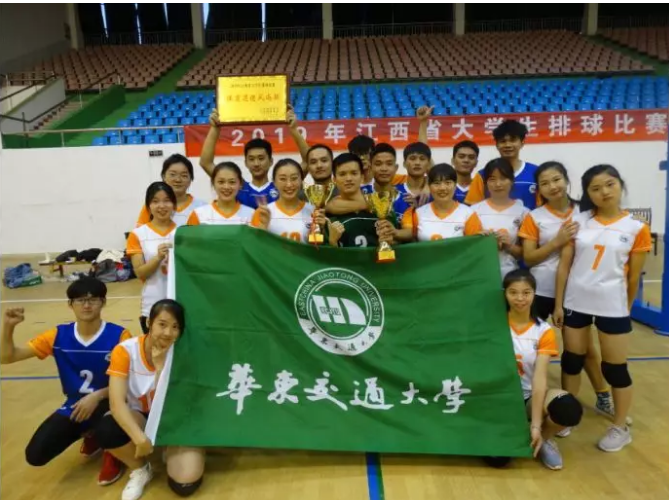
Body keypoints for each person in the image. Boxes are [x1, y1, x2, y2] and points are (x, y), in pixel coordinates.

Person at [554, 165, 651, 452]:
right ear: (588, 193)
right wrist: (559, 303)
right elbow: (564, 266)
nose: (604, 192)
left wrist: (625, 309)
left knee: (615, 369)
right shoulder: (578, 221)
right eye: (595, 188)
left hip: (612, 304)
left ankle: (620, 427)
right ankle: (567, 416)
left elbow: (633, 277)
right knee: (572, 360)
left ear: (620, 185)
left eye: (610, 184)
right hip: (576, 301)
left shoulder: (636, 228)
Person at [519, 162, 620, 432]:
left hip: (576, 291)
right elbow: (529, 258)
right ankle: (550, 404)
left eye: (556, 179)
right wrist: (557, 241)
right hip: (541, 291)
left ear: (566, 180)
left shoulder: (586, 212)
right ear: (538, 189)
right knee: (528, 347)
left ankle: (602, 396)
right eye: (545, 183)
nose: (552, 186)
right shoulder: (534, 217)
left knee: (583, 350)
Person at [0, 277, 129, 485]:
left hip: (112, 401)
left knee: (111, 423)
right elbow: (7, 357)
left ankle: (113, 450)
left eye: (93, 300)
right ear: (70, 304)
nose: (86, 305)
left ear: (103, 302)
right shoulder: (58, 335)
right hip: (75, 405)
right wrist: (8, 327)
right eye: (80, 300)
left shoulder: (119, 336)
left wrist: (97, 396)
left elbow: (130, 382)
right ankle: (91, 433)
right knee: (35, 455)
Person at [97, 299, 204, 500]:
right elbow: (116, 403)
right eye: (162, 324)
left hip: (174, 420)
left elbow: (178, 402)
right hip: (140, 416)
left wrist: (160, 368)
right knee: (107, 428)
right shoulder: (125, 351)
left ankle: (171, 448)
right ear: (149, 323)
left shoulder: (185, 353)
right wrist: (139, 438)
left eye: (175, 327)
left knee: (185, 484)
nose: (168, 333)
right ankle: (141, 469)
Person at [504, 269, 583, 470]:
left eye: (526, 292)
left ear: (534, 294)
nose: (520, 298)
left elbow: (539, 379)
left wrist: (536, 426)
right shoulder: (494, 325)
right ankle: (513, 432)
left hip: (528, 397)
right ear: (505, 294)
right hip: (500, 398)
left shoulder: (542, 330)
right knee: (499, 459)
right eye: (513, 292)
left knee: (568, 408)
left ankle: (544, 439)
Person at [126, 182, 177, 334]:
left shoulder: (183, 231)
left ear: (174, 204)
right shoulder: (138, 234)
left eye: (167, 200)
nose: (162, 206)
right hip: (152, 305)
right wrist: (158, 258)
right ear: (148, 206)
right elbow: (140, 273)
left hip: (180, 302)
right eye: (155, 201)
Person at [201, 109, 278, 209]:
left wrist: (293, 129)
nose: (256, 163)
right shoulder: (239, 187)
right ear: (245, 162)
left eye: (261, 158)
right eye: (251, 159)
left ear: (271, 161)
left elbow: (303, 166)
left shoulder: (281, 187)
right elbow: (206, 163)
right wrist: (215, 128)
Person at [472, 159, 529, 279]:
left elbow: (527, 255)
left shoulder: (523, 212)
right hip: (480, 275)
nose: (498, 184)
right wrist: (480, 241)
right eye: (492, 179)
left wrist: (509, 246)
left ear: (512, 181)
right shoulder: (473, 211)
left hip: (511, 277)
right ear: (486, 183)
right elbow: (467, 250)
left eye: (503, 178)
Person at [326, 153, 395, 248]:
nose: (348, 179)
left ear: (362, 177)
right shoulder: (329, 218)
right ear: (334, 180)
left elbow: (400, 243)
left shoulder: (383, 207)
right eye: (342, 174)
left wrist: (391, 242)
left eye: (354, 173)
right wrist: (333, 243)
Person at [398, 163, 482, 241]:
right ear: (429, 187)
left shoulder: (468, 214)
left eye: (448, 183)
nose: (442, 188)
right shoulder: (418, 214)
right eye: (437, 183)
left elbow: (474, 246)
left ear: (455, 185)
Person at [465, 120, 539, 209]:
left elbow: (544, 208)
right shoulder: (482, 176)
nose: (508, 145)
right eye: (503, 141)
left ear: (522, 142)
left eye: (513, 140)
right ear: (496, 144)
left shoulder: (536, 173)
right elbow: (471, 210)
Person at [252, 159, 322, 243]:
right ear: (274, 182)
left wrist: (313, 236)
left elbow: (316, 247)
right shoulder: (262, 213)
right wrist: (263, 227)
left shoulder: (313, 211)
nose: (289, 184)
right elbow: (253, 247)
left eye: (294, 178)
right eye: (283, 179)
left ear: (301, 180)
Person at [135, 155, 207, 228]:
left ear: (191, 179)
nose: (178, 180)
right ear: (164, 176)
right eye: (172, 174)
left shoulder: (202, 207)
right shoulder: (153, 206)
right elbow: (140, 233)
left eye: (184, 175)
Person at [187, 162, 254, 225]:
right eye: (221, 182)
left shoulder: (251, 215)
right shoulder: (199, 215)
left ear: (240, 184)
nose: (226, 187)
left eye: (232, 182)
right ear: (213, 183)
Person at [397, 141, 432, 206]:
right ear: (404, 164)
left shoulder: (436, 192)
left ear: (429, 164)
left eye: (422, 159)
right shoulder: (394, 193)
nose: (417, 163)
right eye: (412, 158)